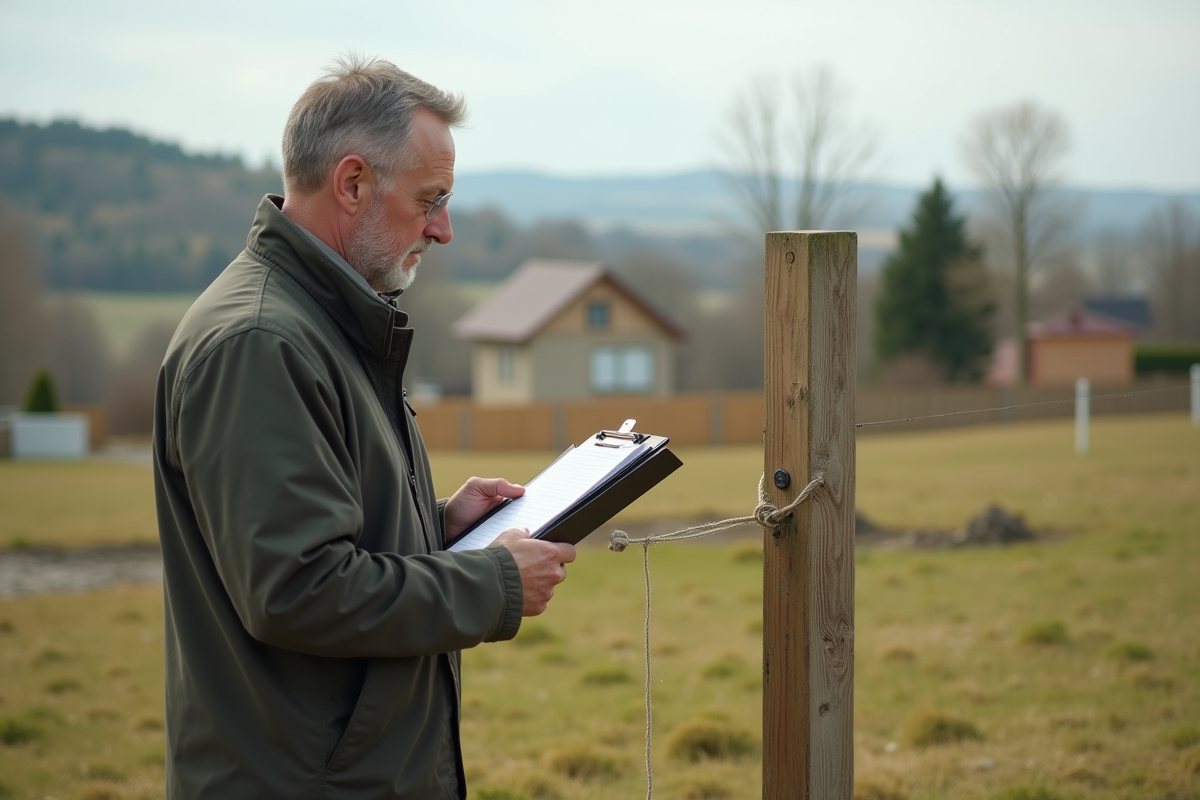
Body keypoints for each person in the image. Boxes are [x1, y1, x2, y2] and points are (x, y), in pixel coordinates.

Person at [152, 55, 576, 799]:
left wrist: (439, 525)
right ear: (352, 184)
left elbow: (319, 537)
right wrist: (492, 580)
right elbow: (297, 588)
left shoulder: (321, 322)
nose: (442, 229)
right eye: (429, 199)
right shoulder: (262, 343)